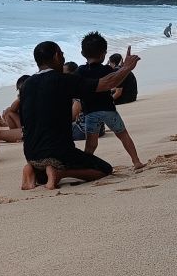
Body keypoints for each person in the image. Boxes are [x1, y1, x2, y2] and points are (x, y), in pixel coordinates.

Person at [18, 40, 141, 191]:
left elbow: (23, 123)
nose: (63, 58)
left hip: (30, 152)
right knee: (104, 169)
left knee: (44, 174)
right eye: (62, 54)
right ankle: (60, 173)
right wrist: (127, 68)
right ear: (56, 56)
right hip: (59, 152)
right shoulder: (63, 80)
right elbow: (105, 84)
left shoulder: (26, 85)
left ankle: (33, 168)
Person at [76, 33, 145, 170]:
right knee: (123, 135)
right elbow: (115, 81)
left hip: (90, 112)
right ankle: (136, 161)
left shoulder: (80, 71)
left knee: (91, 143)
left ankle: (85, 166)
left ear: (83, 53)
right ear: (104, 53)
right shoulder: (107, 69)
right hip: (108, 109)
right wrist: (125, 67)